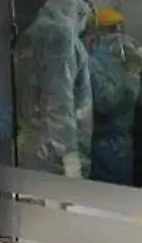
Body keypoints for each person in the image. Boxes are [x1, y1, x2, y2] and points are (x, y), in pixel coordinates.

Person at [13, 0, 95, 178]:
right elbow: (58, 100)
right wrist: (69, 155)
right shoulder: (60, 35)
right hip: (55, 155)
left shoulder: (33, 33)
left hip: (32, 147)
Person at [85, 9, 142, 185]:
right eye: (112, 29)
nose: (118, 36)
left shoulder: (123, 58)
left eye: (119, 29)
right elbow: (106, 103)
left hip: (122, 142)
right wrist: (131, 75)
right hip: (103, 145)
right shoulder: (93, 63)